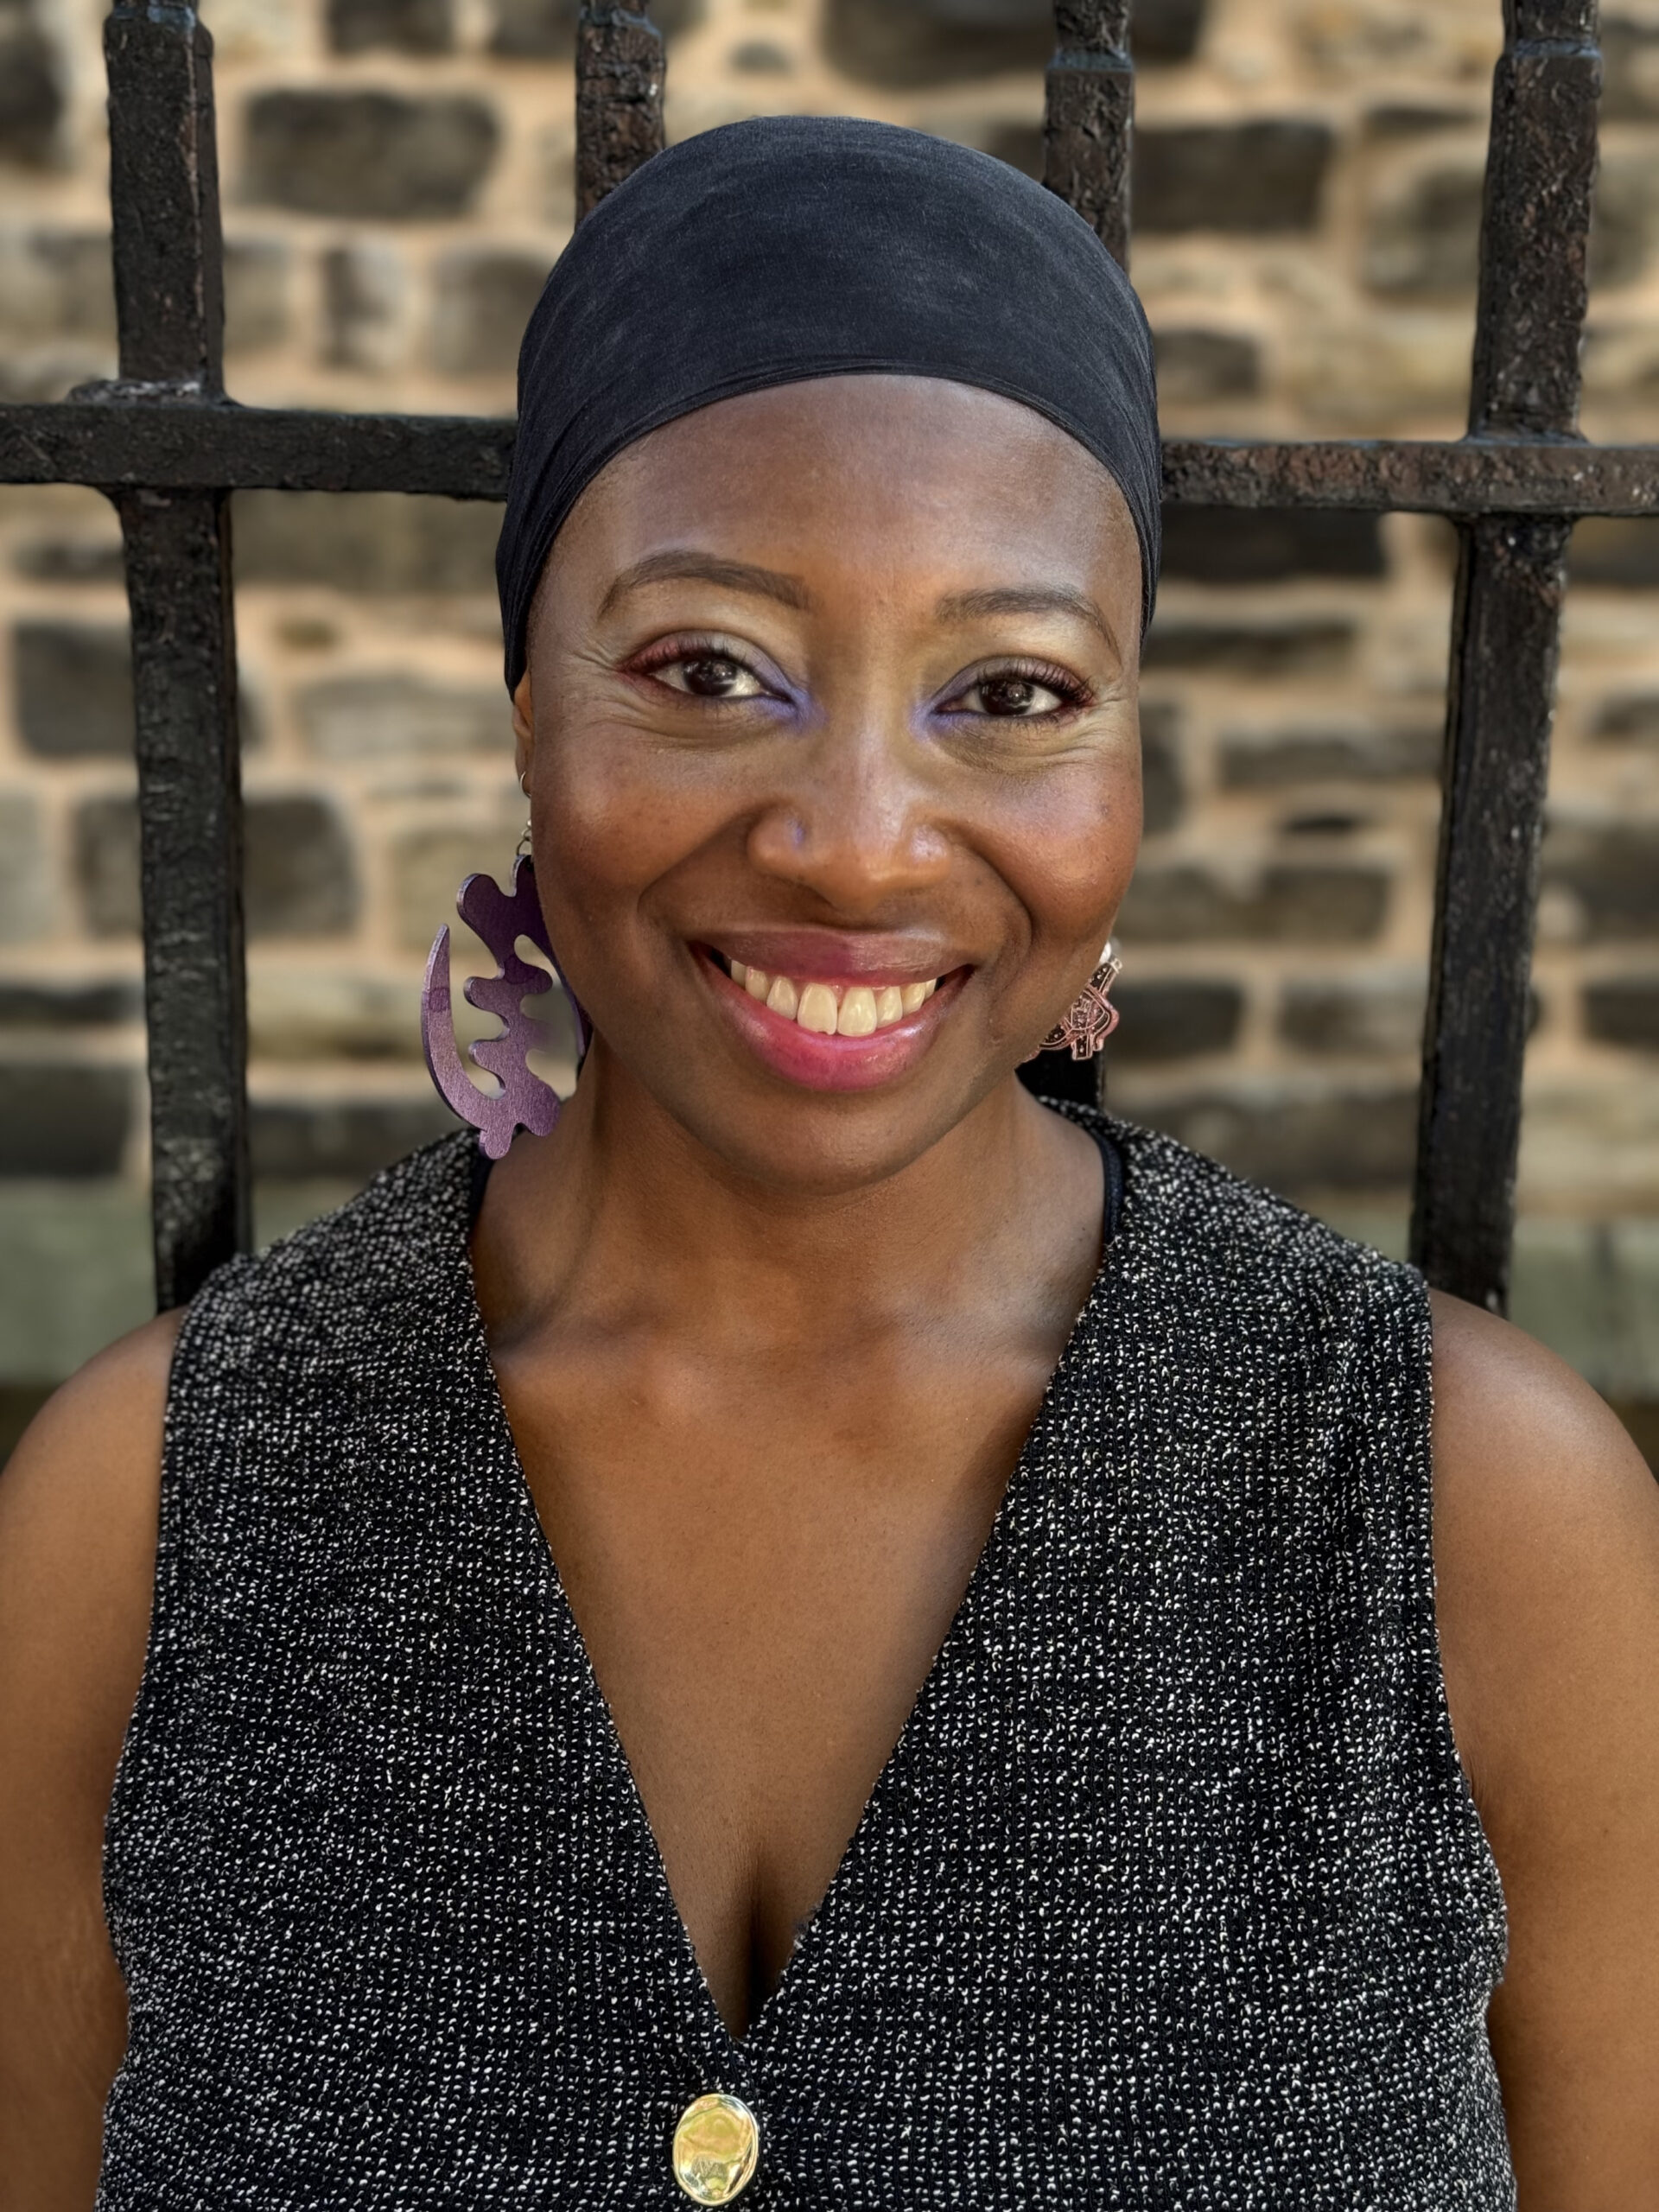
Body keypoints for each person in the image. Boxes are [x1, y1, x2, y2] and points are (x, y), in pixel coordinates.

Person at [2, 118, 1656, 2212]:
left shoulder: (1473, 1515)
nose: (860, 836)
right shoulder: (145, 1519)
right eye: (708, 669)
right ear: (530, 699)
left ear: (1129, 753)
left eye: (1013, 690)